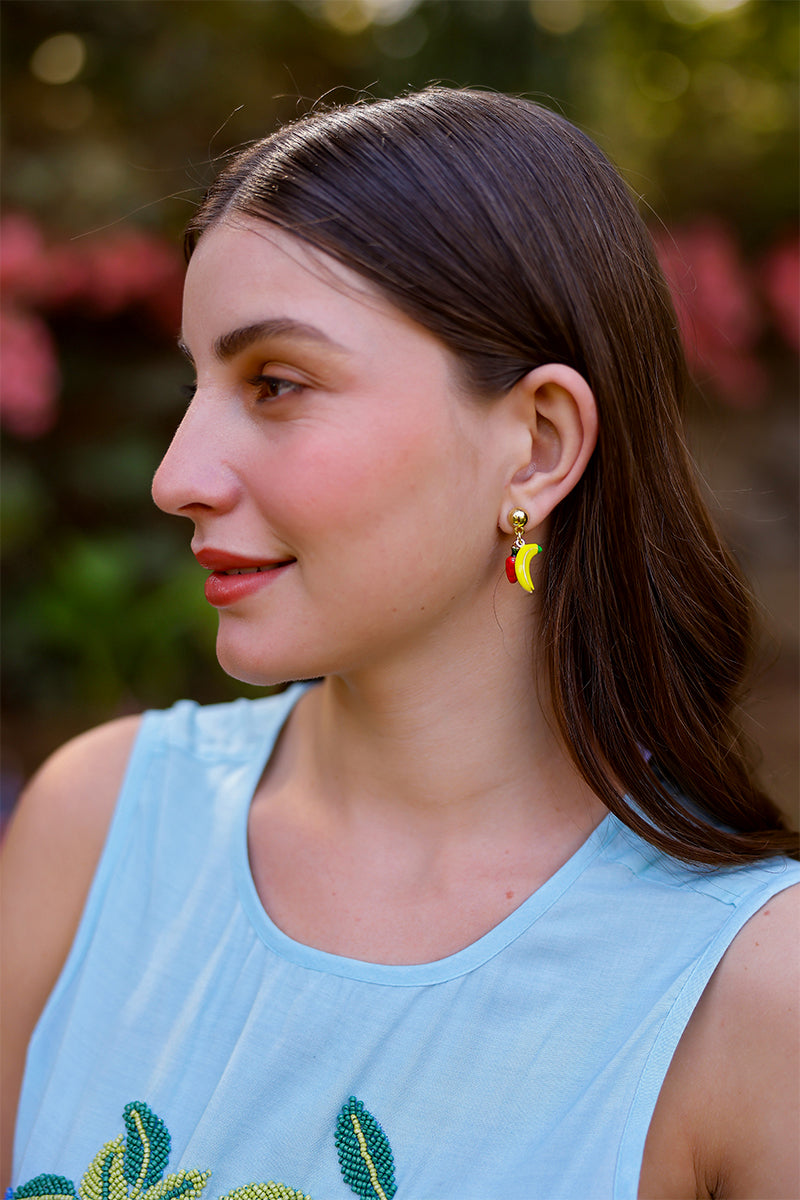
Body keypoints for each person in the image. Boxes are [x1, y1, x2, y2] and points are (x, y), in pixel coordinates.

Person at [1, 87, 798, 1200]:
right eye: (198, 384)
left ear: (535, 445)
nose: (176, 475)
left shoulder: (747, 994)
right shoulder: (93, 832)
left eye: (275, 383)